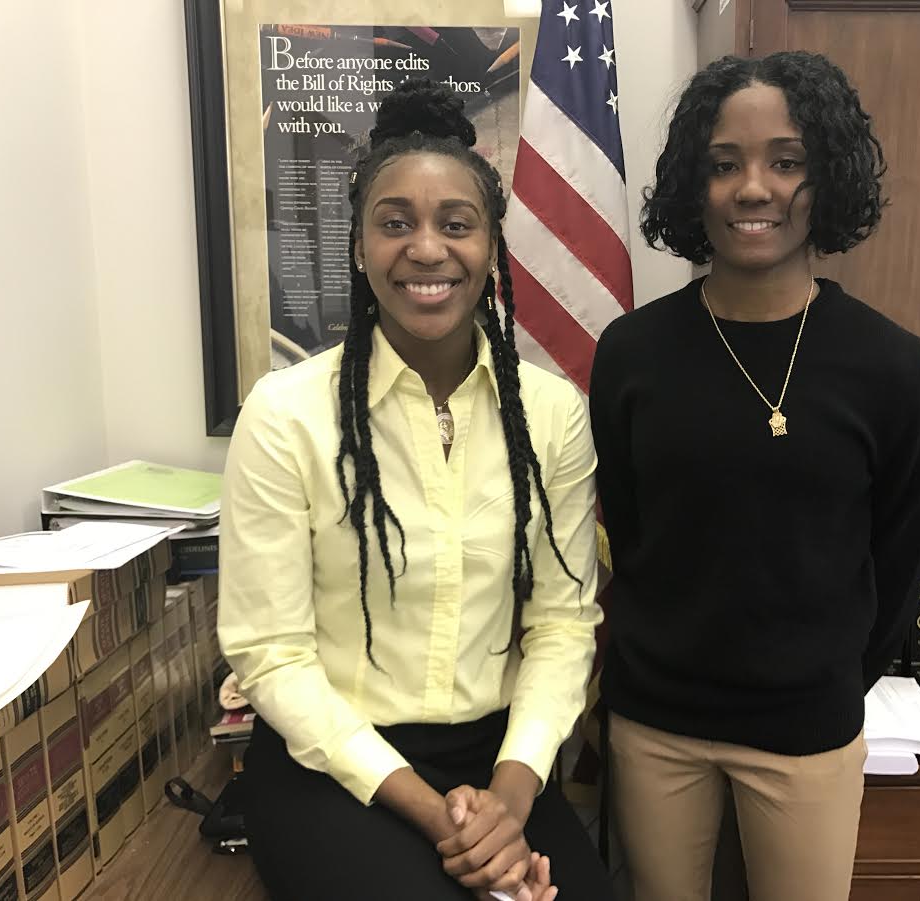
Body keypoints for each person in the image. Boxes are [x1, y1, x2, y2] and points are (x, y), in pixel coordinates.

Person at [219, 79, 613, 901]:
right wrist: (444, 820)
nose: (426, 248)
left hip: (499, 762)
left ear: (490, 247)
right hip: (332, 766)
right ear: (360, 247)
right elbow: (271, 653)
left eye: (455, 224)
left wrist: (505, 802)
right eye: (395, 222)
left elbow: (561, 625)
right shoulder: (286, 414)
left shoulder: (549, 417)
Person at [589, 52, 920, 901]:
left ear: (825, 180)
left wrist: (824, 674)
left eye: (785, 162)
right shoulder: (631, 354)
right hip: (655, 722)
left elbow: (897, 558)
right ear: (692, 184)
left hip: (807, 728)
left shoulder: (891, 367)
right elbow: (630, 531)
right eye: (723, 164)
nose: (753, 188)